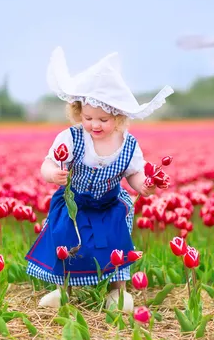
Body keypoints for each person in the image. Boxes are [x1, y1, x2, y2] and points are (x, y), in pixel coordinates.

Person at [24, 46, 174, 313]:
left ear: (118, 117)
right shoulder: (72, 137)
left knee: (116, 241)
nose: (95, 124)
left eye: (103, 119)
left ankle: (118, 292)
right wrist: (53, 174)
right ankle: (64, 290)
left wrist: (145, 185)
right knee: (67, 239)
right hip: (75, 201)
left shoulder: (128, 144)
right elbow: (47, 164)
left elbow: (135, 174)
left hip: (109, 203)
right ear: (78, 112)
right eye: (88, 117)